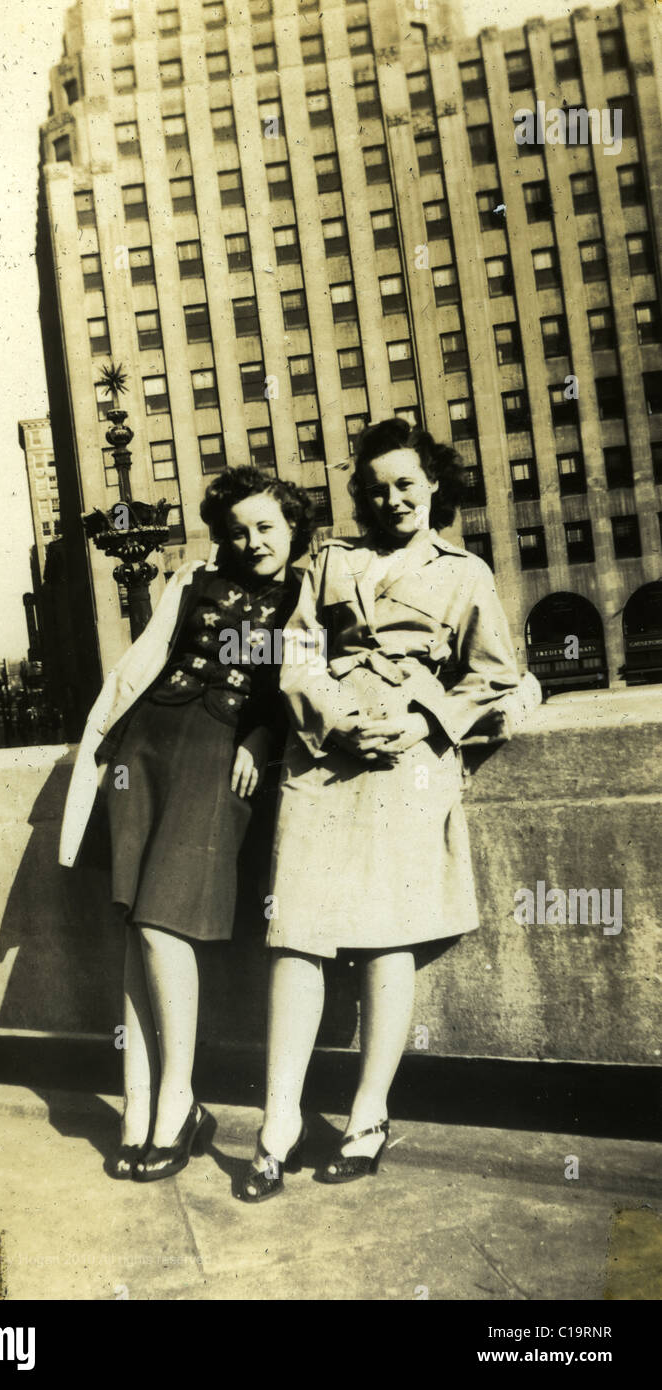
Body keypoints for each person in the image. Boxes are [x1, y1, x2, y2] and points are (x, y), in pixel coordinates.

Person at [241, 418, 541, 1201]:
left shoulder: (464, 573)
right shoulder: (331, 561)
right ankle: (279, 1120)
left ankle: (367, 1117)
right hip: (324, 756)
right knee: (296, 934)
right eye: (376, 488)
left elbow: (492, 678)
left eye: (406, 483)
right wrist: (337, 717)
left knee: (386, 937)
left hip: (411, 761)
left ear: (434, 483)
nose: (392, 498)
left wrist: (422, 721)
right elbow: (297, 654)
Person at [58, 467, 313, 1182]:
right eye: (237, 529)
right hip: (146, 747)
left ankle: (179, 1100)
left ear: (294, 528)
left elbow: (296, 687)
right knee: (140, 926)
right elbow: (148, 660)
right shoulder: (193, 582)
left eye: (266, 526)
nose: (252, 540)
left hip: (219, 750)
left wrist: (261, 743)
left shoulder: (305, 594)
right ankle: (143, 1107)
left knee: (163, 922)